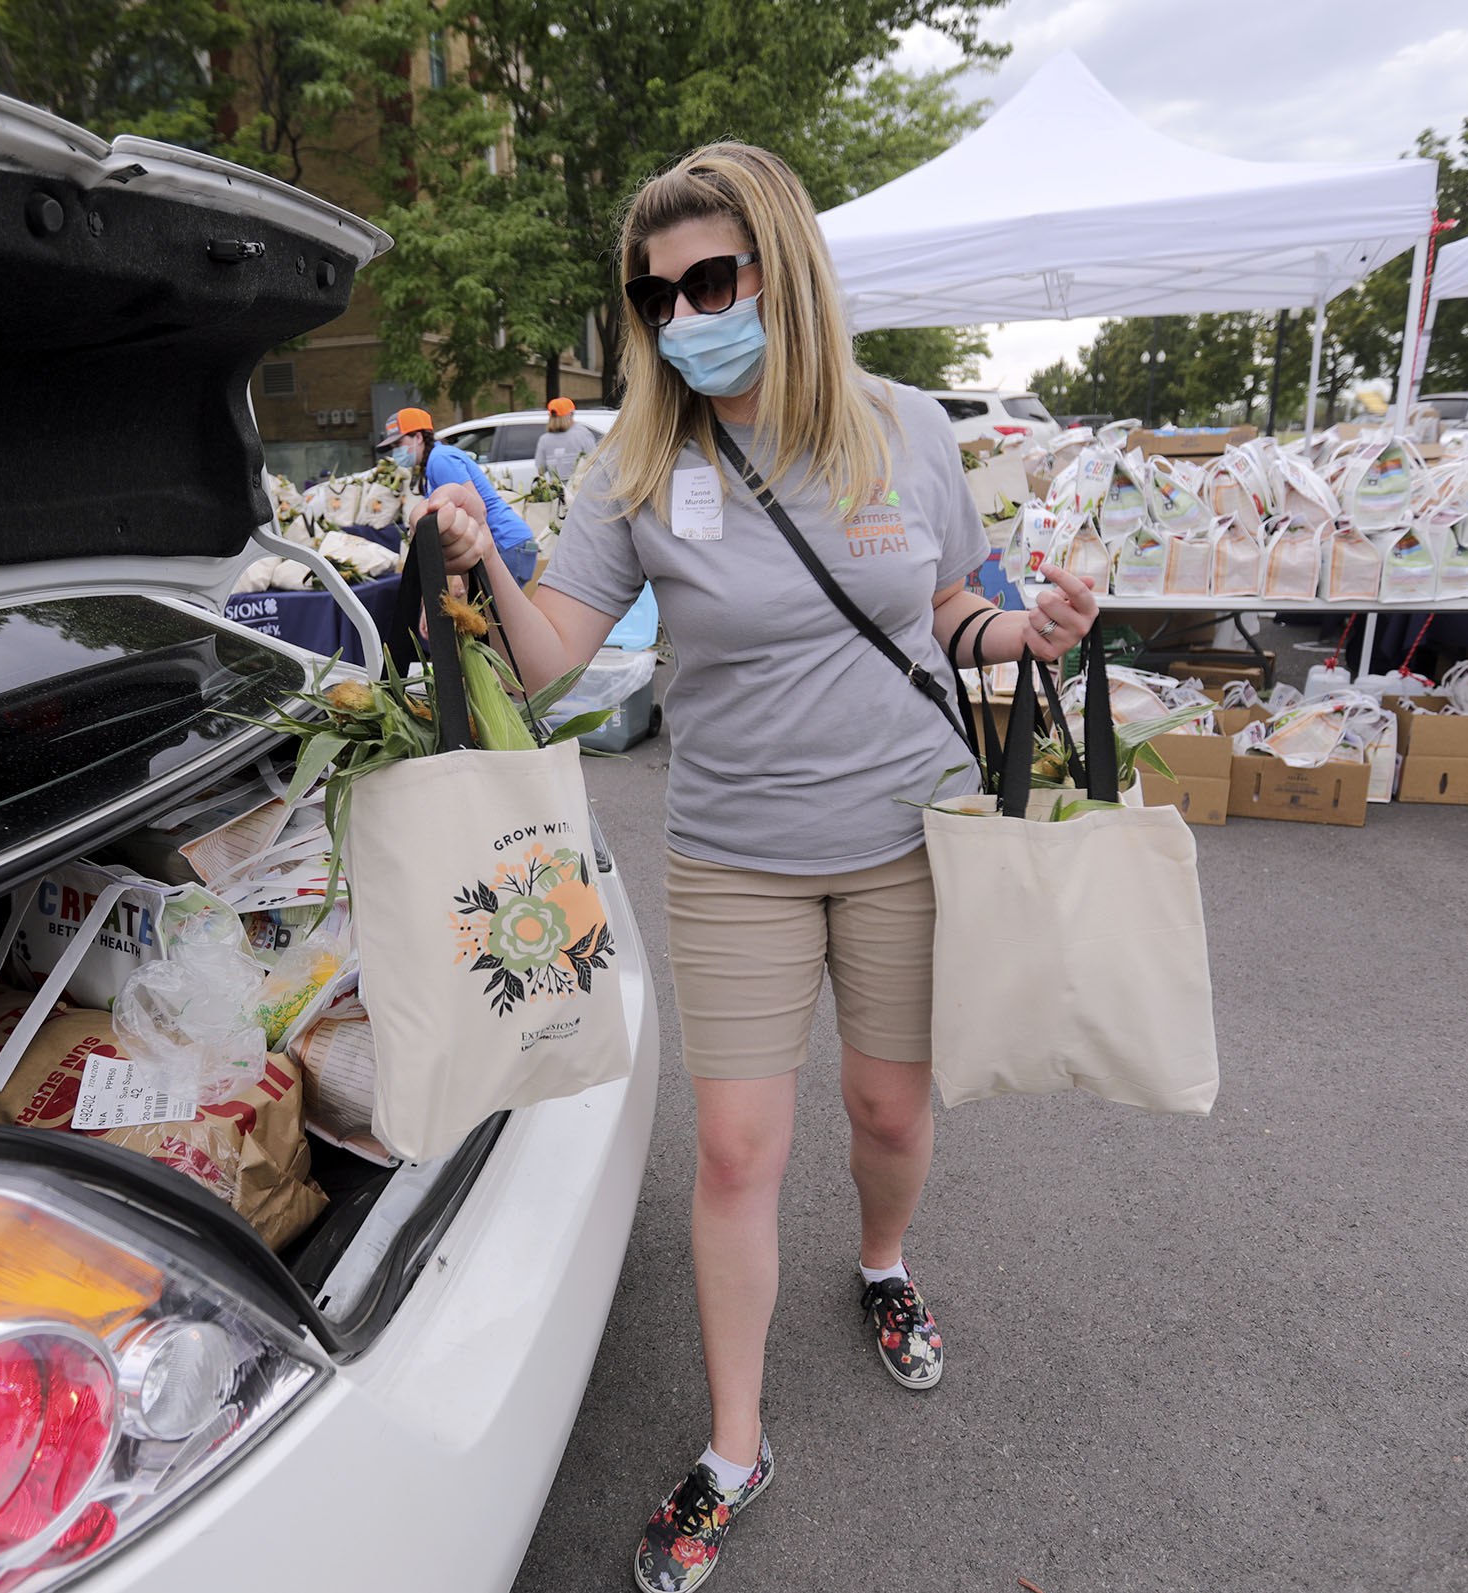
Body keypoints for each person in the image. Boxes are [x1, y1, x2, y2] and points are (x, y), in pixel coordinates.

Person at [420, 142, 1098, 1592]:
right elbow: (551, 662)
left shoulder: (906, 430)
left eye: (711, 280)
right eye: (655, 295)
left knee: (888, 1108)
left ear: (782, 274)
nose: (683, 317)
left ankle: (883, 1262)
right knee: (735, 1150)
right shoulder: (636, 467)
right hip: (734, 853)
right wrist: (478, 565)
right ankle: (738, 1445)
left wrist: (1028, 633)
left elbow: (953, 615)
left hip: (910, 833)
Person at [378, 406, 540, 584]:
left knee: (495, 612)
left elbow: (476, 510)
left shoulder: (440, 460)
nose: (395, 453)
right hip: (508, 546)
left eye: (398, 445)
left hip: (507, 545)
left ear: (418, 437)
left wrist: (461, 572)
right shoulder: (434, 461)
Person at [534, 395, 601, 481]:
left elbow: (541, 471)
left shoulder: (544, 439)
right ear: (570, 414)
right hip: (578, 490)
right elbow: (594, 463)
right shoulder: (582, 434)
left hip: (556, 490)